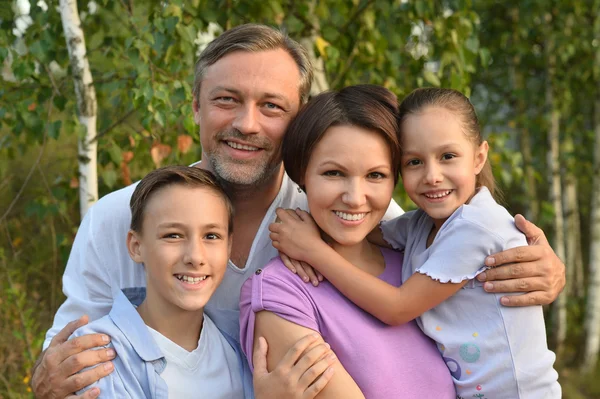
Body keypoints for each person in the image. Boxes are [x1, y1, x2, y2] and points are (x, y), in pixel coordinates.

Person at [31, 23, 565, 399]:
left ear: (299, 122)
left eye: (272, 107)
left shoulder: (345, 214)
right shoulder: (119, 216)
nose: (247, 123)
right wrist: (48, 379)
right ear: (194, 105)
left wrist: (535, 263)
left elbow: (440, 244)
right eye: (225, 100)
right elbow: (69, 355)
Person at [270, 88, 561, 398]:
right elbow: (360, 225)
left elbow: (397, 307)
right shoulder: (424, 224)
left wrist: (312, 250)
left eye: (447, 156)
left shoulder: (476, 228)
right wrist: (304, 223)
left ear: (479, 157)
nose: (432, 176)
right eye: (414, 162)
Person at [241, 85, 459, 398]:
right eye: (333, 173)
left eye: (375, 175)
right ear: (302, 175)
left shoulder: (421, 262)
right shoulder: (281, 293)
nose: (355, 198)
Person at [71, 166, 252, 398]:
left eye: (211, 236)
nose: (195, 257)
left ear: (228, 246)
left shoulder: (242, 341)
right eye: (173, 235)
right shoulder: (99, 356)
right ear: (136, 247)